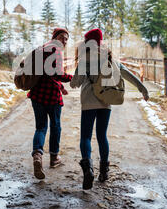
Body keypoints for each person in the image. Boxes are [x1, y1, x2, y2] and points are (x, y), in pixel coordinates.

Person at [70, 28, 149, 190]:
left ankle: (88, 170)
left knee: (85, 137)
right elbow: (127, 74)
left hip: (88, 102)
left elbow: (75, 83)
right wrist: (143, 89)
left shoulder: (86, 59)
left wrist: (75, 78)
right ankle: (104, 172)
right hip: (106, 102)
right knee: (102, 136)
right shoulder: (110, 58)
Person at [28, 28, 72, 179]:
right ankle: (54, 158)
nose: (64, 41)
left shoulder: (42, 48)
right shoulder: (56, 50)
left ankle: (37, 155)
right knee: (55, 126)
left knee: (40, 127)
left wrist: (60, 86)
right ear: (55, 37)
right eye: (62, 37)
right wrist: (72, 77)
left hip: (37, 94)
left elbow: (47, 74)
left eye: (66, 39)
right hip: (51, 97)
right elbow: (58, 74)